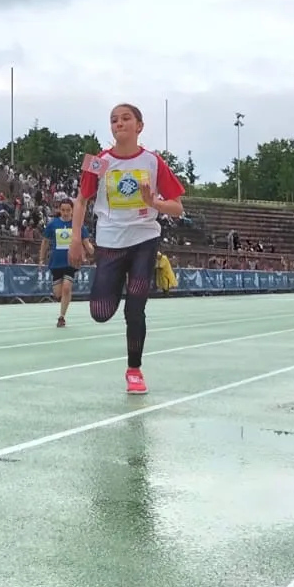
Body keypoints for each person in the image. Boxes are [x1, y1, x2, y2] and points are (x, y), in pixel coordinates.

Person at [69, 103, 184, 394]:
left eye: (125, 119)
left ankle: (134, 370)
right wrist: (75, 240)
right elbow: (81, 201)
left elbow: (178, 208)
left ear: (139, 126)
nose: (119, 124)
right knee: (100, 311)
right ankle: (119, 278)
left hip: (145, 238)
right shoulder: (98, 161)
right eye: (113, 120)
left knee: (136, 307)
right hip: (109, 241)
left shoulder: (153, 161)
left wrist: (154, 203)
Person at [41, 196, 91, 327]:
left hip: (71, 262)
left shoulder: (78, 225)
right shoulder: (52, 224)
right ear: (59, 210)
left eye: (68, 210)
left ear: (72, 210)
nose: (65, 212)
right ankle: (64, 301)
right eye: (63, 210)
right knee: (58, 293)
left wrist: (91, 251)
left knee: (67, 288)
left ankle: (61, 317)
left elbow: (87, 243)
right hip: (56, 262)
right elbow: (45, 242)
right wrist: (41, 258)